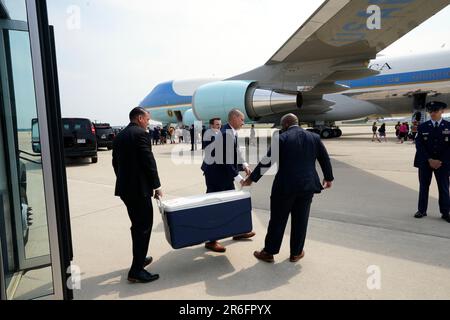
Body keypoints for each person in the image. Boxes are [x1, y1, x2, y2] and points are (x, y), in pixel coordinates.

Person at [242, 113, 334, 263]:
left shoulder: (281, 138)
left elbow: (267, 161)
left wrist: (252, 179)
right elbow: (324, 158)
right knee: (301, 220)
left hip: (285, 187)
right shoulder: (314, 137)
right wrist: (328, 178)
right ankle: (296, 253)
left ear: (284, 125)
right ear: (297, 123)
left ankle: (269, 252)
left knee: (278, 220)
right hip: (307, 186)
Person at [112, 107, 163, 283]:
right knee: (143, 227)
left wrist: (125, 181)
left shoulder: (120, 135)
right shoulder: (141, 134)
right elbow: (149, 161)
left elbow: (115, 164)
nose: (148, 122)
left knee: (137, 226)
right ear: (140, 118)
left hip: (126, 189)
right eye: (147, 119)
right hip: (139, 191)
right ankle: (136, 271)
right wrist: (157, 186)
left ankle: (140, 259)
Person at [201, 110, 255, 252]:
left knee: (231, 203)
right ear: (234, 118)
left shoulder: (229, 131)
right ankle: (211, 240)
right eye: (242, 119)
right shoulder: (226, 134)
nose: (243, 122)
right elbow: (224, 159)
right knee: (215, 206)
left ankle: (237, 232)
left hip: (222, 173)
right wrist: (238, 178)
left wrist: (244, 165)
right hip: (216, 175)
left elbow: (234, 152)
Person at [414, 101, 450, 223]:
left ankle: (446, 212)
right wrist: (429, 159)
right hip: (425, 162)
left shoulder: (448, 126)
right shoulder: (423, 126)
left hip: (443, 163)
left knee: (444, 188)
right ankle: (422, 210)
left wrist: (440, 161)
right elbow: (419, 145)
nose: (433, 113)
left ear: (442, 111)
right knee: (424, 187)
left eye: (435, 111)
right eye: (431, 111)